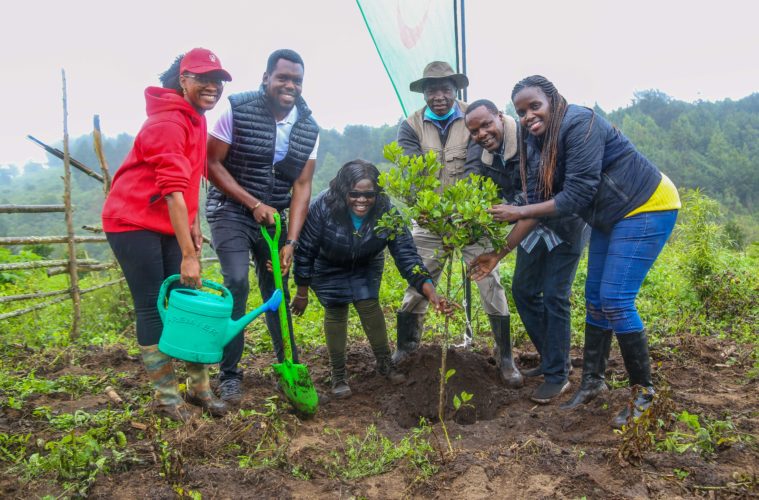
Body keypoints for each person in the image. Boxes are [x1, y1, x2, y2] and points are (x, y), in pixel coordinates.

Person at [469, 76, 680, 426]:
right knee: (595, 298)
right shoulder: (535, 139)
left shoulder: (580, 123)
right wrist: (499, 253)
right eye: (521, 111)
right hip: (607, 216)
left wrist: (519, 212)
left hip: (646, 205)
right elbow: (538, 197)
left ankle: (644, 393)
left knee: (614, 300)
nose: (528, 115)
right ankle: (593, 382)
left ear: (553, 99)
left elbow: (578, 194)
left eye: (534, 106)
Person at [102, 48, 232, 420]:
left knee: (189, 299)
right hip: (131, 223)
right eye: (203, 78)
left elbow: (190, 180)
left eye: (218, 80)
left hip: (166, 221)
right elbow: (173, 188)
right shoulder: (167, 123)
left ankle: (199, 392)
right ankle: (168, 400)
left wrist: (191, 228)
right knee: (153, 305)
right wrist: (189, 255)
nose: (213, 86)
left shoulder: (196, 118)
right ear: (183, 80)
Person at [395, 62, 522, 388]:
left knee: (489, 282)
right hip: (429, 219)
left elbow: (474, 169)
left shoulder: (473, 118)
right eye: (432, 90)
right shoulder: (410, 126)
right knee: (417, 284)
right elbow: (411, 172)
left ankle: (505, 357)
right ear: (424, 92)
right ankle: (406, 350)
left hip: (470, 218)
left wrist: (461, 213)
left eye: (446, 89)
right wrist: (428, 208)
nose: (439, 96)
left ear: (456, 89)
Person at [205, 49, 319, 405]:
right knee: (236, 282)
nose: (290, 85)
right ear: (267, 78)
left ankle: (288, 363)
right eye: (283, 78)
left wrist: (292, 242)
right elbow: (211, 164)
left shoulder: (308, 127)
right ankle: (229, 374)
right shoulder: (236, 110)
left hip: (274, 218)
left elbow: (301, 186)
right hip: (230, 211)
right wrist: (251, 203)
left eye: (296, 80)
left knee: (277, 290)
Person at [465, 99, 589, 404]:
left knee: (554, 294)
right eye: (474, 130)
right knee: (523, 290)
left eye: (486, 124)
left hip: (564, 221)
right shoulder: (484, 153)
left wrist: (498, 253)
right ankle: (552, 360)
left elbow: (537, 205)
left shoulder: (529, 140)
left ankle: (559, 376)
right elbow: (478, 188)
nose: (481, 133)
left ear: (500, 116)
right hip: (530, 224)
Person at [292, 160, 448, 398]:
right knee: (336, 309)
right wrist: (302, 292)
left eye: (368, 194)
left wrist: (431, 292)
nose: (361, 200)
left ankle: (385, 364)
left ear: (377, 193)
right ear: (343, 190)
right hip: (327, 264)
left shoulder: (386, 211)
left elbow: (407, 255)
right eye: (354, 194)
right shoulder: (322, 207)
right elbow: (306, 250)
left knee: (369, 304)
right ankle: (338, 375)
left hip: (366, 262)